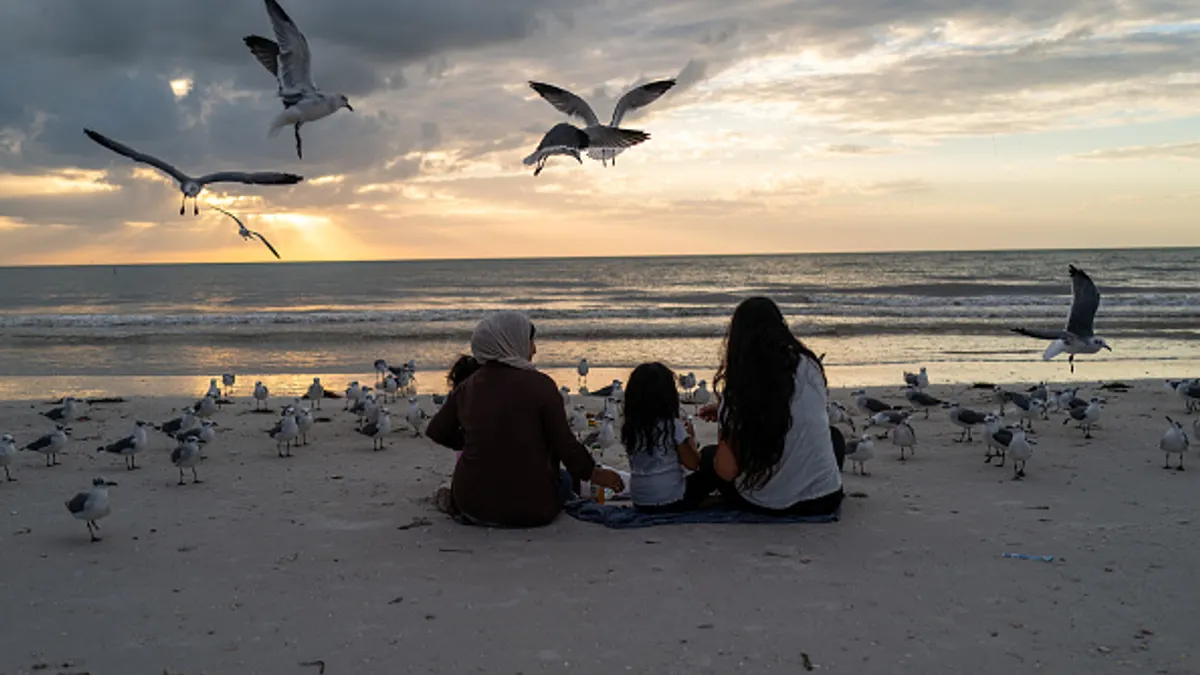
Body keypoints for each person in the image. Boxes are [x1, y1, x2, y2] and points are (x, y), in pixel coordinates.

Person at [426, 311, 624, 527]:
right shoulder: (541, 385)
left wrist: (477, 441)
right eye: (531, 342)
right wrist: (594, 474)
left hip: (472, 505)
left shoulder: (467, 387)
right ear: (512, 342)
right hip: (532, 509)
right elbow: (565, 445)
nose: (535, 349)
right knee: (565, 479)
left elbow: (437, 431)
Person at [695, 297, 843, 516]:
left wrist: (728, 422)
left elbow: (727, 470)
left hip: (767, 502)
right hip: (824, 497)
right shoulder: (809, 366)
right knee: (834, 437)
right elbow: (797, 411)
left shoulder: (741, 384)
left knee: (710, 456)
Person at [621, 362, 710, 512]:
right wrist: (691, 439)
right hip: (670, 500)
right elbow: (693, 464)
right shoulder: (672, 426)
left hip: (640, 500)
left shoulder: (631, 428)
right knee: (709, 457)